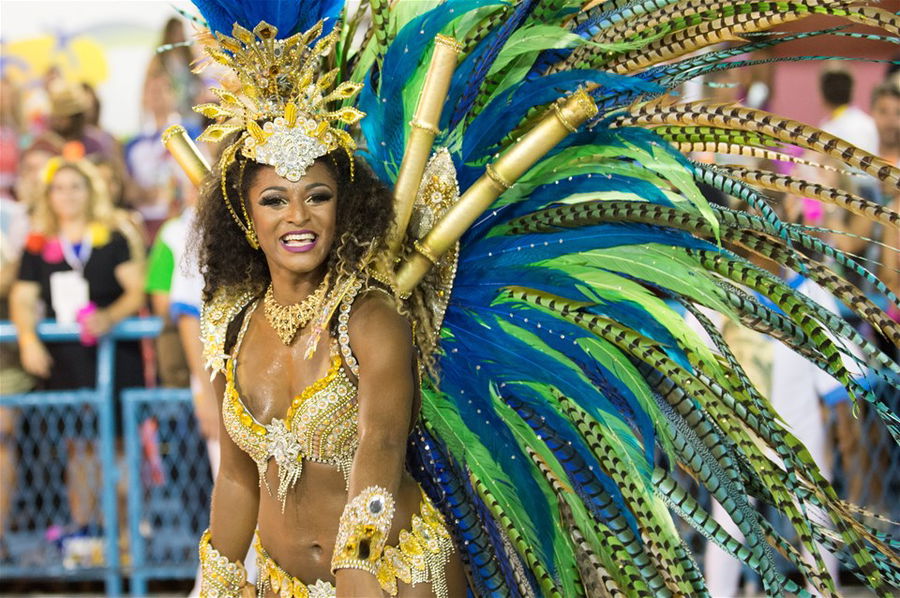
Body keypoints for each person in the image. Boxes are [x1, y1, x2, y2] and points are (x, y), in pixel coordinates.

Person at [180, 2, 900, 596]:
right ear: (244, 215)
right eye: (274, 199)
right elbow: (239, 476)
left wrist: (356, 576)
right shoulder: (231, 325)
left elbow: (378, 455)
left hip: (394, 577)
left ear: (346, 207)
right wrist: (212, 582)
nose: (297, 217)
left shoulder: (371, 321)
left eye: (317, 196)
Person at [9, 158, 146, 547]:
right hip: (67, 359)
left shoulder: (111, 238)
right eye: (59, 188)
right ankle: (86, 535)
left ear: (90, 192)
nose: (67, 195)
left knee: (119, 443)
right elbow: (22, 297)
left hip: (114, 354)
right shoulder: (38, 244)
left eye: (75, 187)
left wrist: (110, 316)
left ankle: (124, 534)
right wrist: (28, 339)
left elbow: (135, 290)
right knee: (78, 446)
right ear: (47, 195)